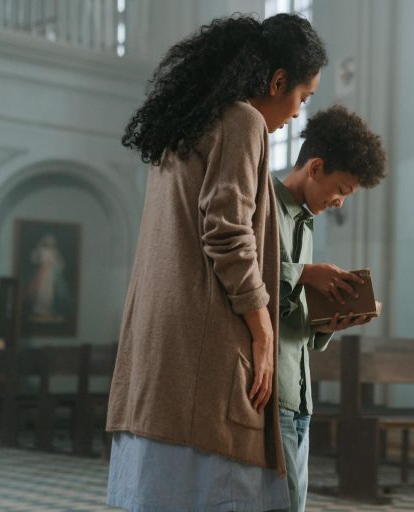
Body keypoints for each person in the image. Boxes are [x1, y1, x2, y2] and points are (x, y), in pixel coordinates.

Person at [105, 14, 327, 512]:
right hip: (204, 350)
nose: (298, 112)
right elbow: (227, 234)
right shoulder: (242, 120)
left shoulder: (184, 126)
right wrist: (263, 330)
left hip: (160, 350)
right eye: (303, 97)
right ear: (277, 81)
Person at [272, 105, 387, 511]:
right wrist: (304, 273)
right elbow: (240, 274)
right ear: (315, 167)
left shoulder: (305, 220)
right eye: (341, 190)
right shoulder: (263, 203)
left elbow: (291, 317)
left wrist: (330, 324)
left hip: (299, 394)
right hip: (270, 391)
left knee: (294, 504)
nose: (339, 202)